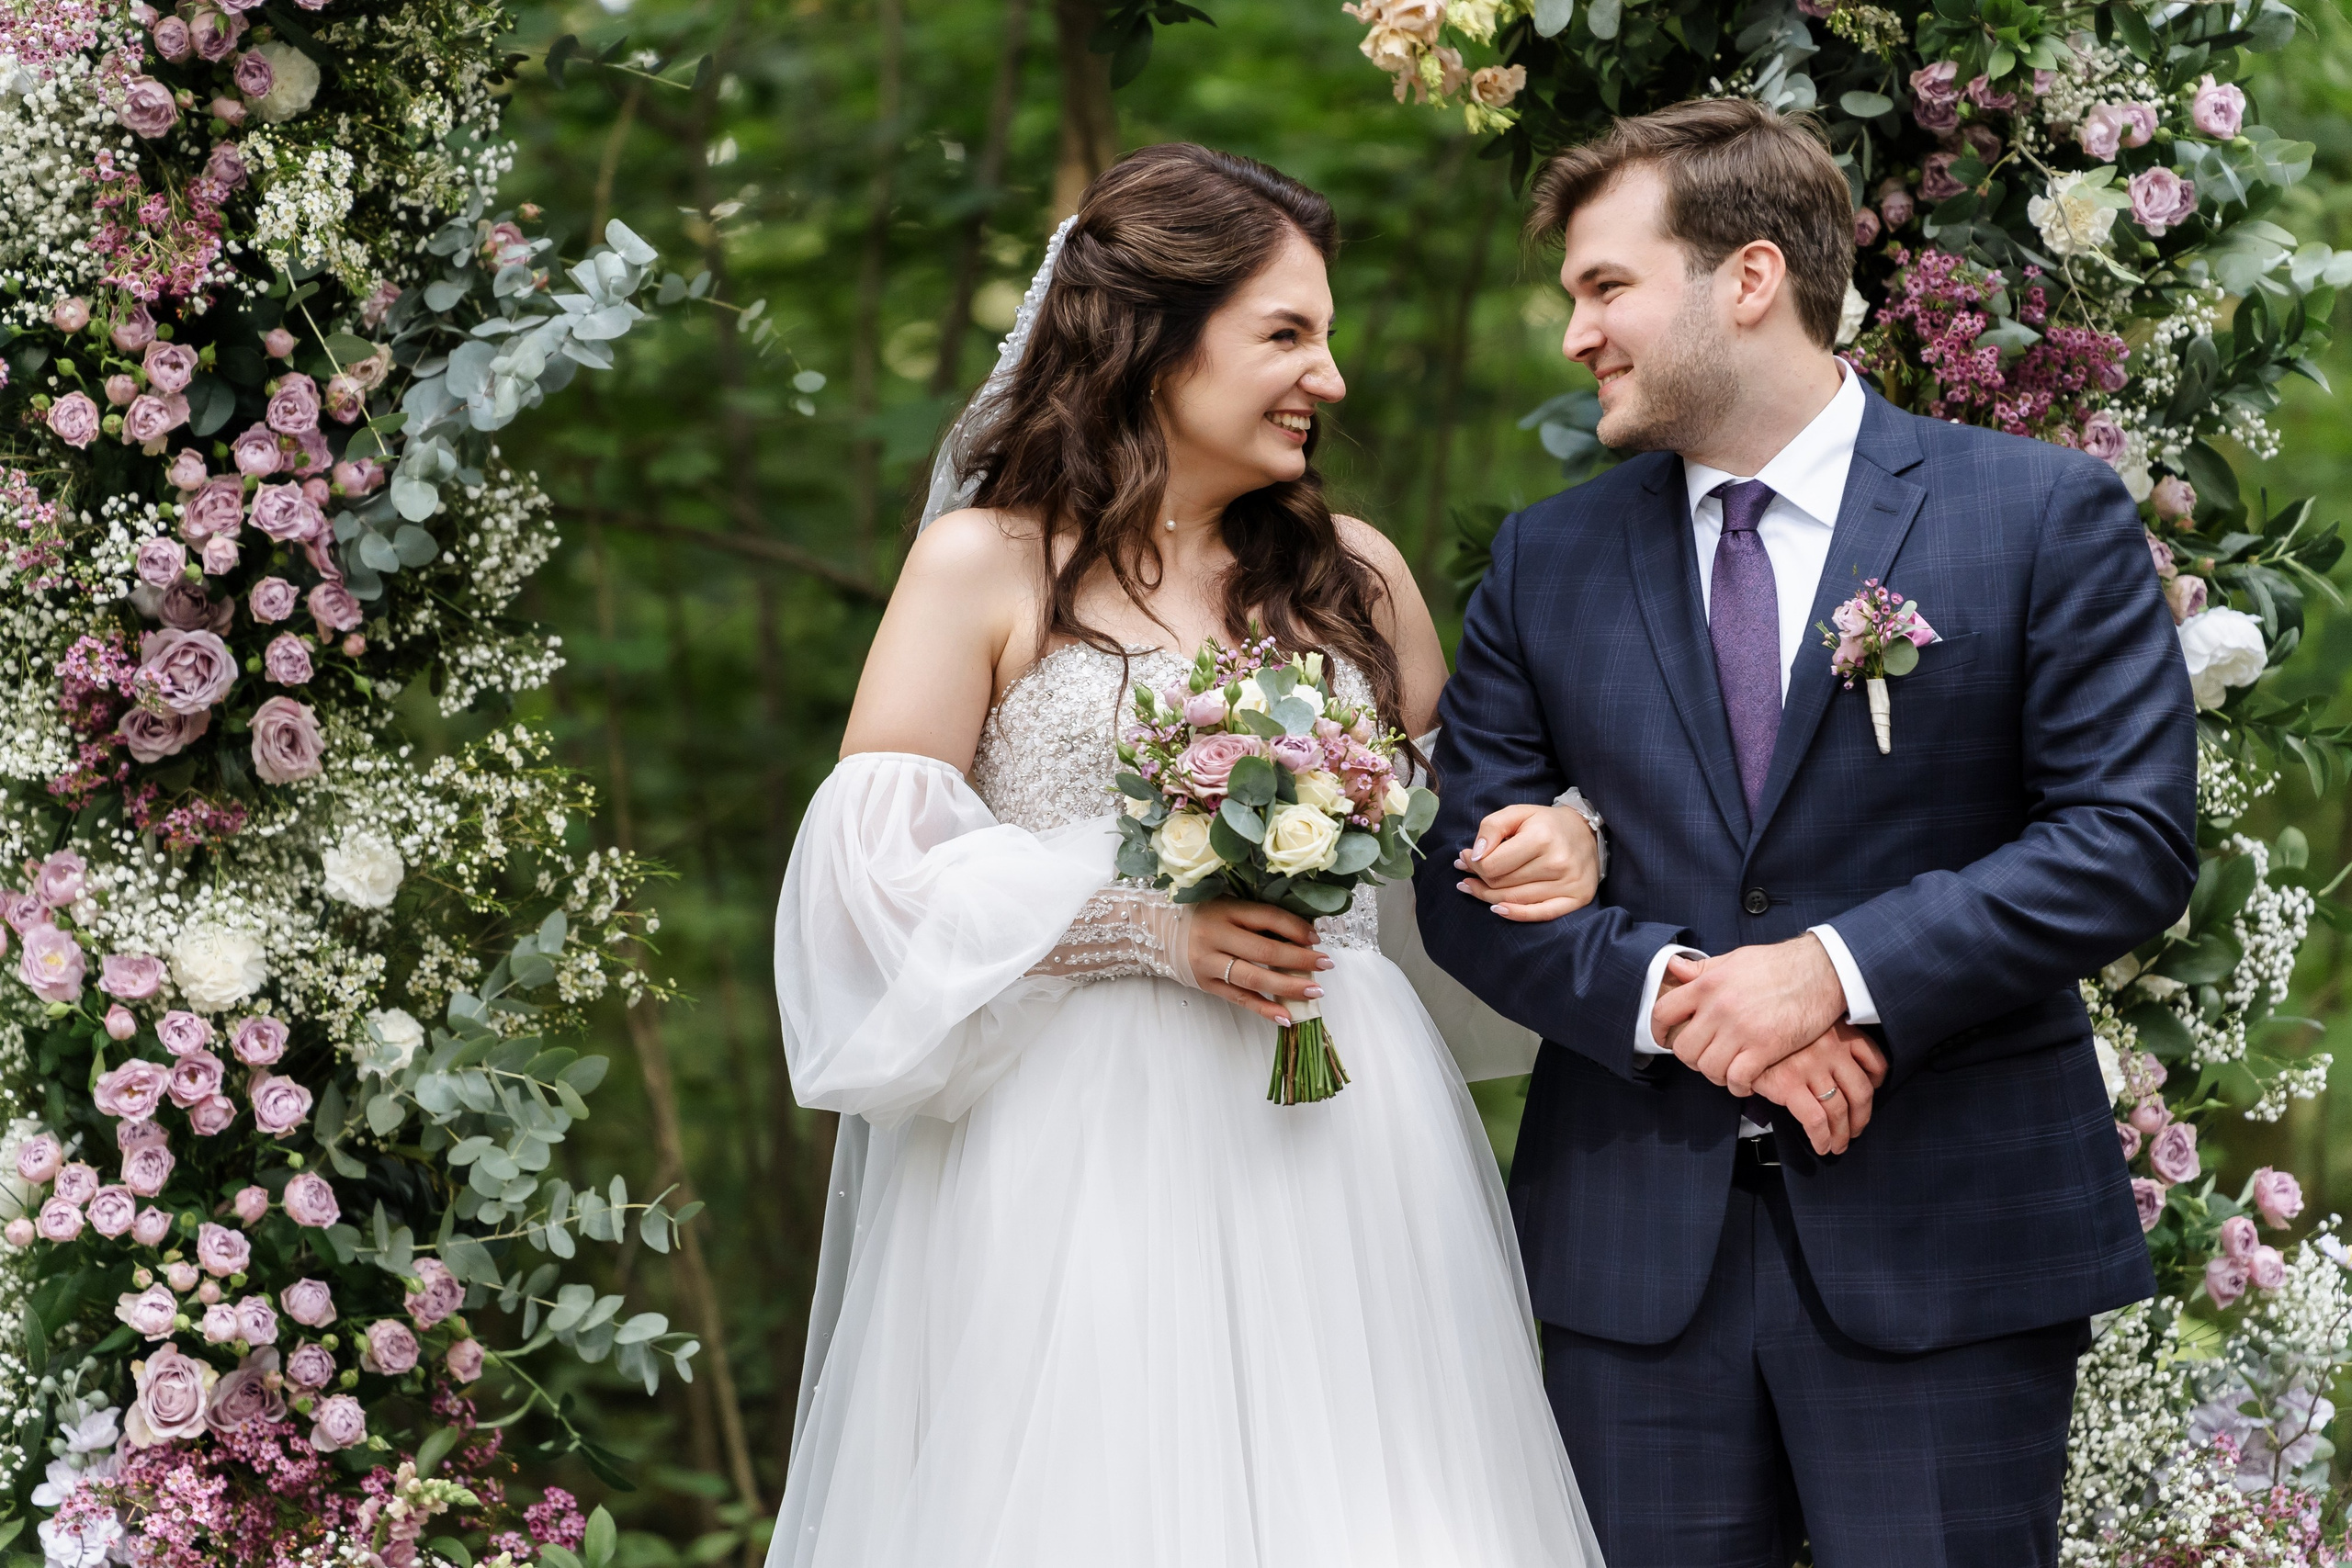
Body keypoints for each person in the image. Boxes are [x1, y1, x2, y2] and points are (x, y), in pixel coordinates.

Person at [768, 142, 1605, 1566]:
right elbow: (869, 883)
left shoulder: (1357, 573)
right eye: (1286, 333)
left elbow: (1462, 818)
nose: (1328, 378)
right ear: (1150, 338)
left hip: (1348, 1132)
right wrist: (1141, 930)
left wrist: (1565, 836)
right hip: (1083, 1151)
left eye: (1326, 338)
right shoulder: (986, 565)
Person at [1419, 99, 2199, 1566]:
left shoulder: (2038, 516)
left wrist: (1829, 973)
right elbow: (1464, 879)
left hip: (1950, 1247)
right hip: (1638, 1266)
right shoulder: (1548, 558)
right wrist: (1687, 1001)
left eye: (1606, 287)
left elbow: (2125, 838)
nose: (1577, 332)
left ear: (1751, 277)